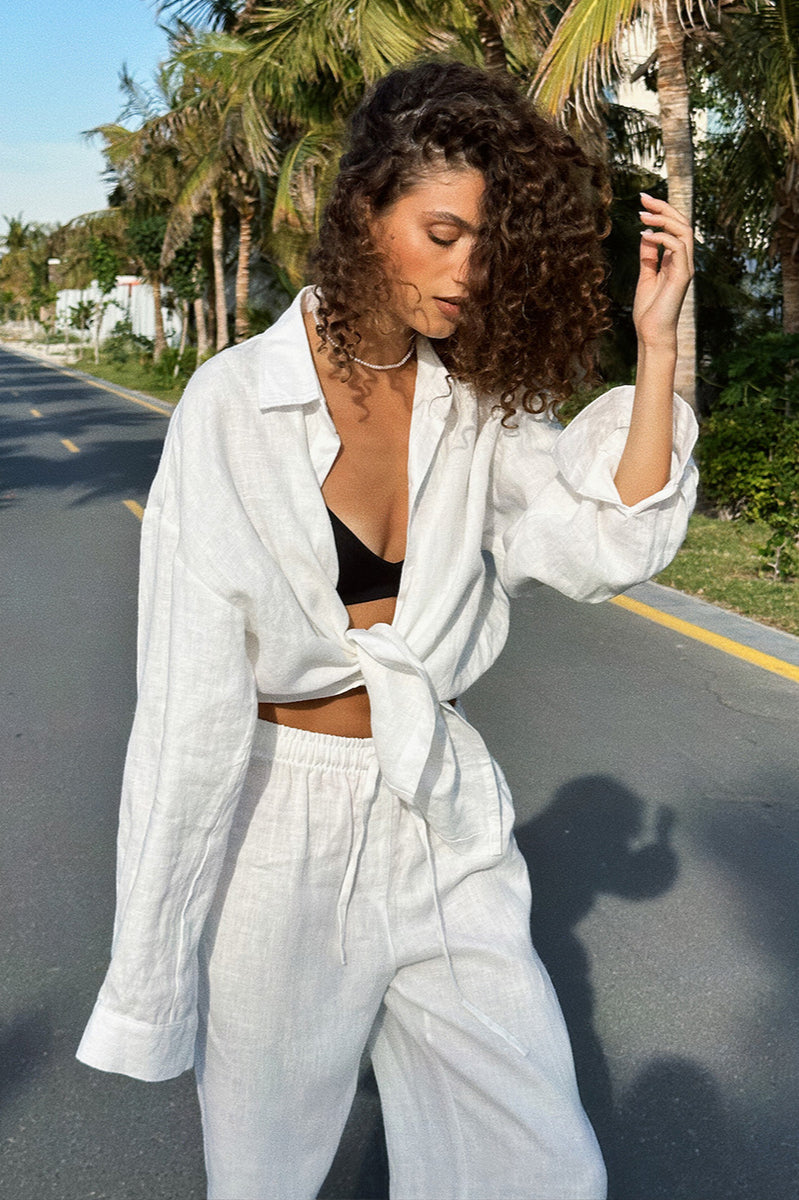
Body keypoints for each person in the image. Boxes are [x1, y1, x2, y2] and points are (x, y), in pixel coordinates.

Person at [77, 59, 697, 1200]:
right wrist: (152, 969)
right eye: (442, 234)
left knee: (537, 1162)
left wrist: (656, 347)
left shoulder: (475, 399)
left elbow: (603, 540)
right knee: (265, 1174)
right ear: (367, 215)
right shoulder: (234, 405)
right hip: (278, 821)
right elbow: (186, 710)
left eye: (486, 245)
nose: (468, 271)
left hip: (436, 804)